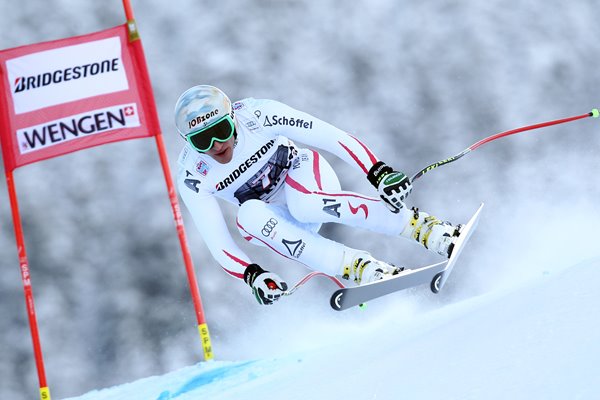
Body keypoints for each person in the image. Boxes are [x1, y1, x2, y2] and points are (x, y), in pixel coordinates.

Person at [174, 85, 461, 305]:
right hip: (276, 218)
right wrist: (254, 275)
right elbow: (217, 241)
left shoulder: (258, 115)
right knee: (247, 217)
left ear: (233, 118)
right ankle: (359, 268)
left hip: (303, 174)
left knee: (305, 204)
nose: (215, 145)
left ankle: (428, 229)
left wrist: (378, 172)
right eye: (201, 140)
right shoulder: (192, 174)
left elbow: (332, 137)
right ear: (188, 143)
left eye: (221, 130)